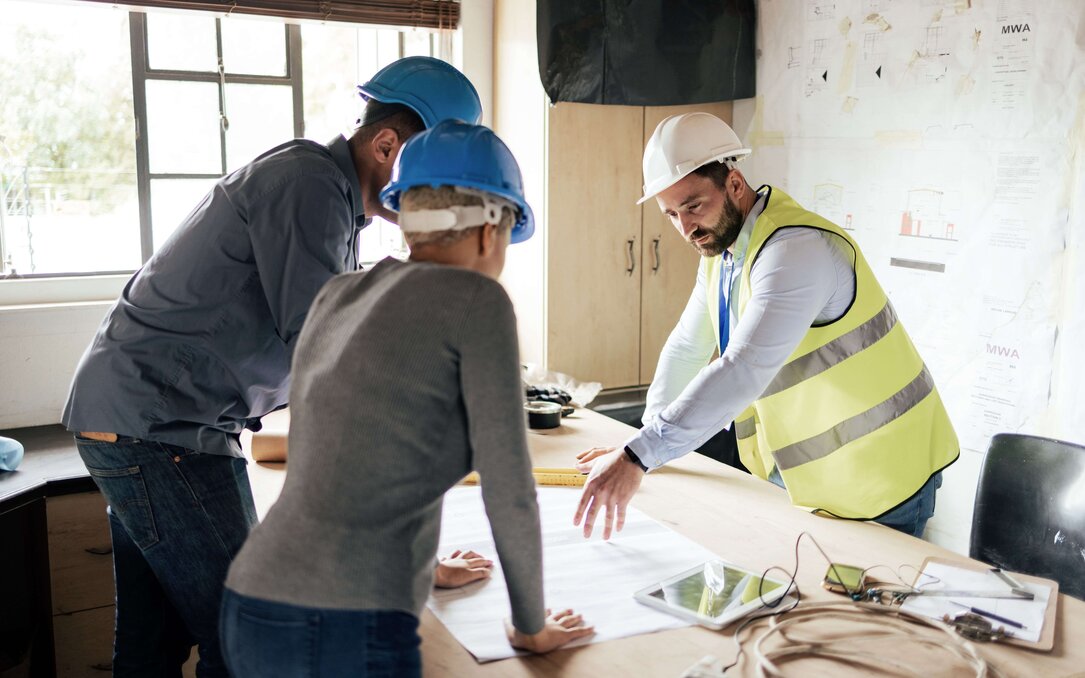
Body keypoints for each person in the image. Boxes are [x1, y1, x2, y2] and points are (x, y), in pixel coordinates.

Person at [60, 57, 482, 676]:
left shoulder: (330, 199)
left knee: (154, 647)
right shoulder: (308, 184)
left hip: (146, 421)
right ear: (388, 144)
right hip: (160, 428)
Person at [220, 120, 594, 677]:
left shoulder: (340, 293)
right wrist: (530, 624)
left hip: (251, 601)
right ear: (490, 231)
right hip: (345, 621)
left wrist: (430, 567)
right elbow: (509, 487)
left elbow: (372, 449)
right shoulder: (479, 301)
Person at [574, 112, 959, 540]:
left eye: (693, 206)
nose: (685, 229)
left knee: (855, 607)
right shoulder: (726, 252)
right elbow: (687, 346)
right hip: (807, 477)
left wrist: (637, 457)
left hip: (880, 476)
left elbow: (743, 368)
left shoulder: (795, 250)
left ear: (735, 184)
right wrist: (643, 445)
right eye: (670, 215)